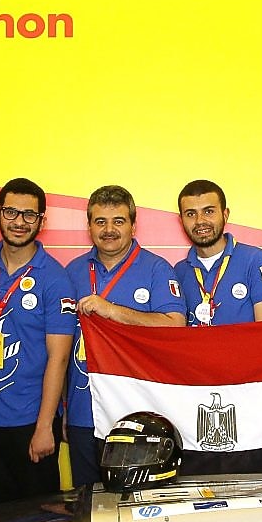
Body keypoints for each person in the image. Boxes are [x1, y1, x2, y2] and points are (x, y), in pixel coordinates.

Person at [65, 185, 184, 486]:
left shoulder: (157, 269)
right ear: (89, 225)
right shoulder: (72, 271)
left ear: (133, 224)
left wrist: (112, 311)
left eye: (118, 221)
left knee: (138, 508)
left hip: (138, 415)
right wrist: (62, 410)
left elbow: (175, 326)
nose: (109, 230)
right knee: (88, 506)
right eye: (100, 221)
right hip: (83, 413)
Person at [0, 178, 74, 507]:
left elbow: (59, 359)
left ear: (42, 221)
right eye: (11, 212)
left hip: (31, 422)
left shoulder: (55, 278)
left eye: (29, 215)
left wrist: (45, 427)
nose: (19, 222)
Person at [173, 179, 262, 326]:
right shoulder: (178, 271)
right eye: (191, 214)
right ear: (181, 220)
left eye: (209, 211)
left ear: (225, 214)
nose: (200, 221)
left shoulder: (254, 260)